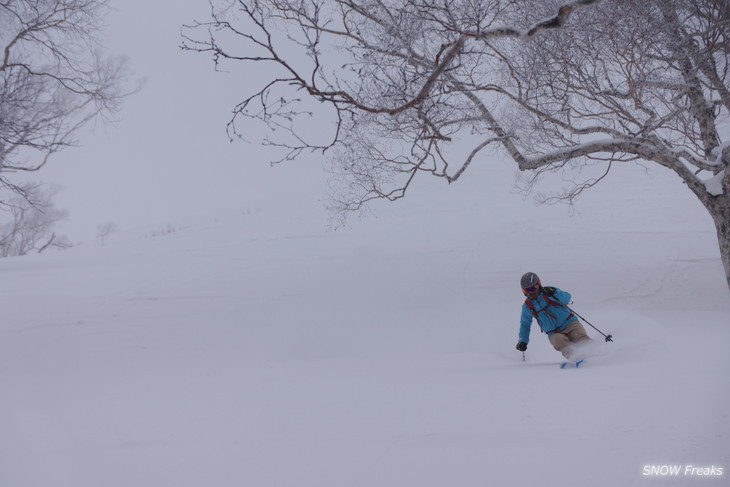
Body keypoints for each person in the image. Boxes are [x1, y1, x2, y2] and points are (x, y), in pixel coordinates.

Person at [515, 272, 590, 360]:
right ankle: (576, 357)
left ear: (538, 285)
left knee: (581, 339)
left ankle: (594, 354)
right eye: (526, 290)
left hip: (570, 323)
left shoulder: (549, 292)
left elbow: (567, 298)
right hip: (554, 332)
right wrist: (523, 341)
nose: (530, 292)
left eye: (533, 288)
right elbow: (525, 324)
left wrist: (555, 293)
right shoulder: (527, 306)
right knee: (558, 341)